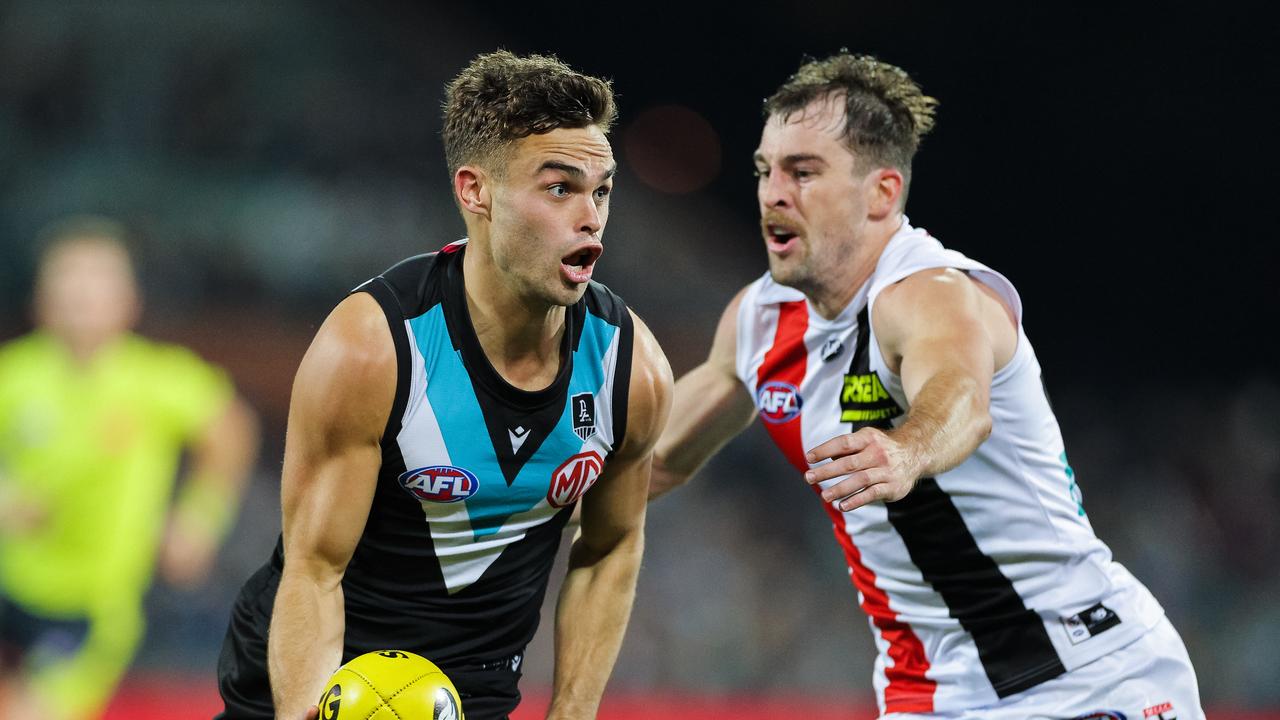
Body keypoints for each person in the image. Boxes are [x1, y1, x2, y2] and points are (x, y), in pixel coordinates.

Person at [649, 52, 1204, 718]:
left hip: (1085, 677)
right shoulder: (758, 322)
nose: (773, 192)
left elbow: (961, 400)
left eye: (804, 172)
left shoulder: (932, 294)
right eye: (766, 170)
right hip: (929, 698)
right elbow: (649, 462)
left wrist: (905, 448)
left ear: (882, 192)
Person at [215, 50, 673, 720]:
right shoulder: (373, 348)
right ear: (475, 191)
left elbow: (608, 549)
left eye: (600, 190)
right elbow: (315, 572)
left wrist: (571, 715)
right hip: (318, 679)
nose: (591, 216)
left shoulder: (630, 370)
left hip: (471, 692)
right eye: (558, 188)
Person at [0, 216, 260, 720]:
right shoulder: (15, 374)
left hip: (89, 606)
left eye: (97, 281)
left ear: (129, 300)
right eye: (67, 279)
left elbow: (232, 430)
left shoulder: (157, 381)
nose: (80, 294)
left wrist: (199, 518)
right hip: (10, 584)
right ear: (40, 297)